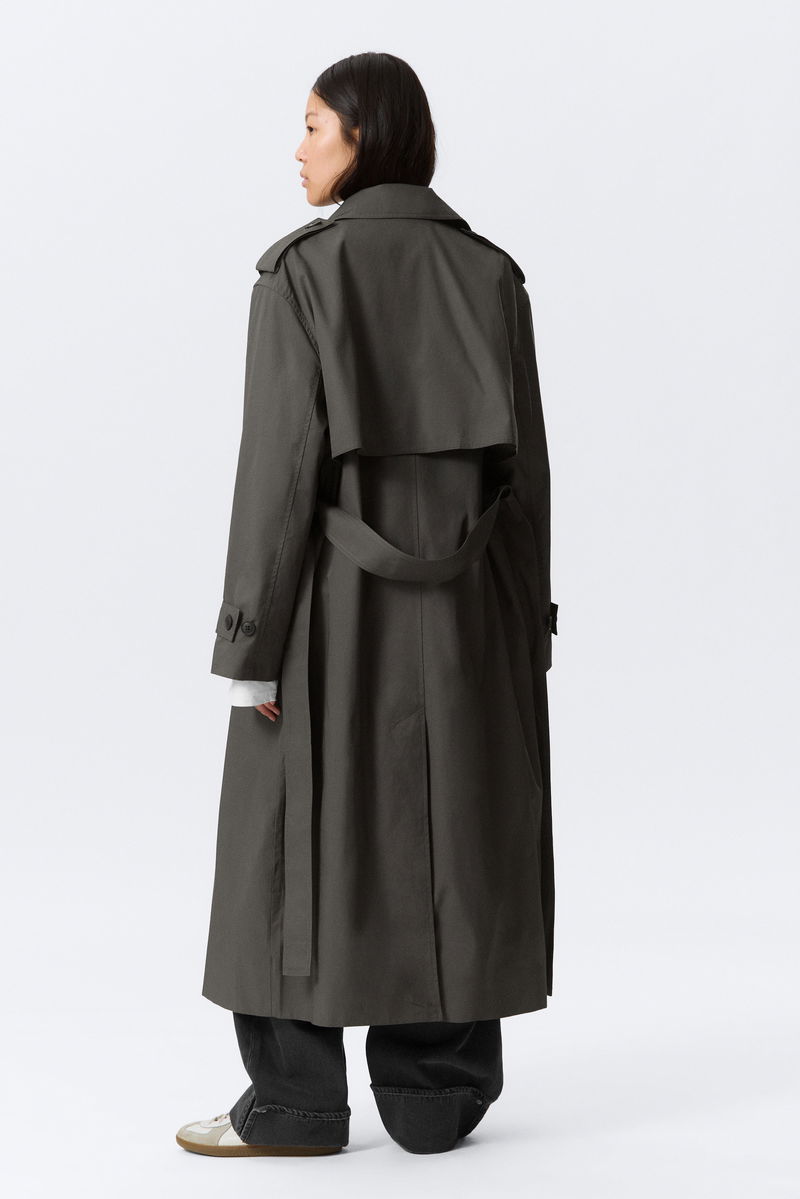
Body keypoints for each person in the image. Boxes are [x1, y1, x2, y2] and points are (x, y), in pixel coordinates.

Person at [176, 50, 558, 1159]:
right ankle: (435, 1094)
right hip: (471, 617)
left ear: (364, 135)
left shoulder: (300, 275)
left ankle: (295, 1102)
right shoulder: (489, 274)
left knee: (288, 834)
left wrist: (249, 647)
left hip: (330, 615)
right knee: (458, 823)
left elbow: (277, 476)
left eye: (312, 125)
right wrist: (525, 631)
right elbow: (525, 476)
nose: (296, 148)